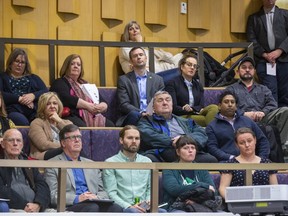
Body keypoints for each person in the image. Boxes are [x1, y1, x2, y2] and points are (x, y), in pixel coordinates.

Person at [44, 124, 122, 212]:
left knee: (116, 208)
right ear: (63, 143)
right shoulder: (52, 164)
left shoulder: (91, 164)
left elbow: (102, 191)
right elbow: (52, 195)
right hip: (70, 206)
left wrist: (96, 197)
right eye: (72, 137)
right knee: (92, 207)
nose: (77, 140)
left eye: (79, 137)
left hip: (93, 202)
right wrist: (78, 198)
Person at [137, 90, 217, 163]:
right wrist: (176, 142)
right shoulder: (146, 121)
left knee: (211, 160)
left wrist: (184, 139)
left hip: (188, 150)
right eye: (160, 100)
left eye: (168, 100)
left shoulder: (185, 121)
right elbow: (150, 136)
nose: (165, 103)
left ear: (172, 104)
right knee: (148, 160)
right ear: (153, 107)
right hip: (163, 153)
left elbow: (201, 135)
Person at [226, 56, 288, 147]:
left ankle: (280, 147)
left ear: (254, 71)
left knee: (285, 110)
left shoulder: (263, 88)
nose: (247, 70)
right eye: (244, 67)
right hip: (241, 120)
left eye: (250, 67)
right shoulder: (231, 89)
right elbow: (228, 107)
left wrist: (263, 112)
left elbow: (273, 104)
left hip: (263, 119)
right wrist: (244, 114)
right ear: (237, 72)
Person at [103, 125, 166, 213]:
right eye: (130, 138)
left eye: (137, 138)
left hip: (145, 206)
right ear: (121, 140)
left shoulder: (147, 161)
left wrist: (148, 201)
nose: (134, 141)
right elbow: (111, 193)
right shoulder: (110, 162)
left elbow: (150, 189)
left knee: (163, 212)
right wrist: (129, 206)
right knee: (134, 212)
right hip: (123, 207)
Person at [50, 54, 114, 127]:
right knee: (80, 126)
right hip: (71, 115)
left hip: (93, 116)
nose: (76, 66)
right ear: (66, 66)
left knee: (111, 125)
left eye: (78, 64)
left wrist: (102, 107)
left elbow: (101, 100)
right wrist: (86, 105)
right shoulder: (59, 82)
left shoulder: (87, 84)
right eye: (72, 64)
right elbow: (64, 98)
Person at [206, 91, 270, 162]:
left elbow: (263, 141)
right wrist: (232, 158)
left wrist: (261, 159)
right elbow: (212, 148)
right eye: (226, 102)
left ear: (236, 106)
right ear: (219, 106)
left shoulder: (247, 121)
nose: (230, 104)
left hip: (253, 162)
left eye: (232, 102)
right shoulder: (212, 126)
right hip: (228, 162)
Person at [162, 135, 222, 212]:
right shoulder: (169, 169)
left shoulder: (202, 169)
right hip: (176, 206)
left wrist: (195, 201)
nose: (190, 151)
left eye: (193, 148)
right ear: (178, 152)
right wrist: (201, 185)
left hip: (200, 205)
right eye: (186, 148)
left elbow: (213, 191)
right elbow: (174, 190)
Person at [246, 0, 288, 107]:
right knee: (270, 94)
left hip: (284, 60)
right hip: (264, 61)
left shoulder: (285, 14)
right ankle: (273, 121)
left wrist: (279, 51)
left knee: (285, 94)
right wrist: (265, 55)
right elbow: (251, 39)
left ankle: (284, 120)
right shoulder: (253, 18)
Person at [218, 127, 278, 200]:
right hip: (238, 204)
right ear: (237, 145)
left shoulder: (267, 163)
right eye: (242, 143)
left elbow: (275, 189)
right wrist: (233, 200)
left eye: (249, 141)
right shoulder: (230, 164)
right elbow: (223, 188)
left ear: (255, 140)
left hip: (265, 204)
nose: (247, 145)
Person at [0, 129, 51, 212]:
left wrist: (38, 204)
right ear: (3, 144)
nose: (15, 143)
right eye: (11, 140)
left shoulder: (28, 163)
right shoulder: (1, 163)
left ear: (22, 144)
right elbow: (2, 190)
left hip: (35, 207)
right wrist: (24, 205)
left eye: (19, 140)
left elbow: (42, 185)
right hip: (13, 207)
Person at [165, 54, 218, 127]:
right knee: (206, 119)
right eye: (189, 65)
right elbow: (172, 107)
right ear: (182, 66)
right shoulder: (172, 83)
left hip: (195, 113)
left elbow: (201, 105)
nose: (192, 68)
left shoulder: (198, 85)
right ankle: (213, 133)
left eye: (195, 66)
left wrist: (191, 109)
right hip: (181, 116)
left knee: (214, 107)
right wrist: (184, 109)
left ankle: (210, 131)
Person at [116, 47, 165, 126]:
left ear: (146, 58)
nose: (138, 57)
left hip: (153, 115)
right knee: (135, 115)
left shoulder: (158, 80)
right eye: (135, 56)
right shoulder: (124, 80)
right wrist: (141, 112)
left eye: (141, 55)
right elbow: (124, 104)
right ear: (131, 61)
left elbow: (161, 100)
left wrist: (151, 112)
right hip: (134, 116)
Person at [0, 48, 48, 125]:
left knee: (40, 123)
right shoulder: (2, 77)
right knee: (22, 122)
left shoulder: (33, 77)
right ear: (11, 62)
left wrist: (33, 96)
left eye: (22, 62)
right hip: (13, 110)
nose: (19, 65)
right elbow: (1, 94)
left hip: (33, 110)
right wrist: (19, 99)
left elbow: (46, 92)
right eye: (17, 61)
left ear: (26, 65)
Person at [28, 92, 72, 160]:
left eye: (55, 103)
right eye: (48, 104)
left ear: (59, 106)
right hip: (44, 156)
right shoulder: (37, 123)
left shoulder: (67, 122)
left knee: (77, 148)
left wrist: (59, 121)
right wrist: (67, 146)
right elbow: (43, 145)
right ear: (42, 107)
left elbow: (74, 136)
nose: (52, 106)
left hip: (65, 155)